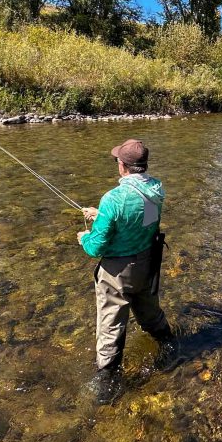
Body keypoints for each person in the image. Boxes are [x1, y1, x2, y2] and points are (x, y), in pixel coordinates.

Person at [78, 138, 178, 403]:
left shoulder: (114, 198)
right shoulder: (155, 189)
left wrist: (83, 237)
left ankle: (108, 380)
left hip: (117, 272)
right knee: (149, 310)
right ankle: (169, 343)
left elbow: (96, 247)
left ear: (123, 165)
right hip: (147, 263)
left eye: (117, 161)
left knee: (111, 323)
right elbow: (141, 222)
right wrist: (101, 215)